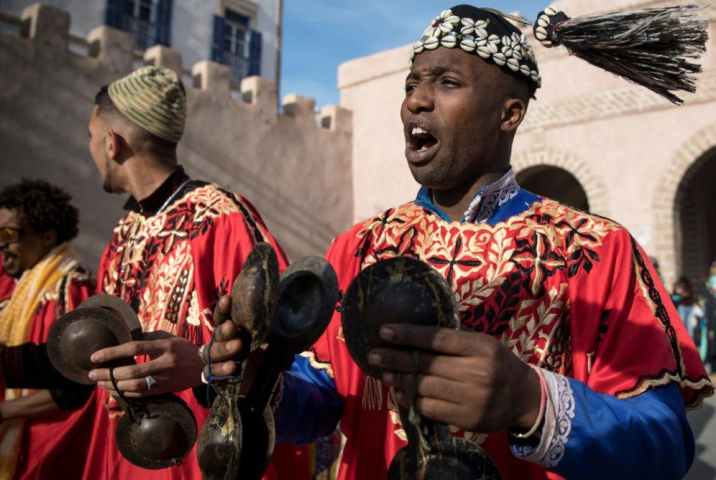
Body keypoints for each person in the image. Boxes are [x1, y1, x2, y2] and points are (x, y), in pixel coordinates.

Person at [206, 5, 712, 479]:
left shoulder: (597, 251)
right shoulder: (359, 248)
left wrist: (531, 401)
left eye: (448, 82)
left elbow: (664, 444)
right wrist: (260, 380)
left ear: (508, 114)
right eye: (412, 84)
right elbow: (323, 406)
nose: (416, 100)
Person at [0, 66, 310, 479]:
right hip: (125, 456)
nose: (91, 147)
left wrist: (205, 362)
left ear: (112, 143)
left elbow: (279, 347)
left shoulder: (221, 219)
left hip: (196, 464)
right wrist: (7, 362)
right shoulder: (125, 230)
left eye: (91, 136)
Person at [0, 179, 96, 479]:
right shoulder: (28, 286)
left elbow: (77, 384)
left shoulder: (69, 289)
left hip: (45, 447)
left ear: (47, 237)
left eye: (9, 233)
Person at [672, 275, 696, 339]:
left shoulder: (688, 285)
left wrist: (683, 293)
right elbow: (675, 292)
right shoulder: (678, 285)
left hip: (688, 306)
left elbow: (689, 295)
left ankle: (690, 340)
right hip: (682, 306)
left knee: (689, 325)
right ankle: (682, 339)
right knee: (681, 324)